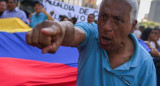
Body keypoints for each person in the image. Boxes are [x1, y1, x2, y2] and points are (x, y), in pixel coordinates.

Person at [26, 0, 156, 86]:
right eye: (103, 17)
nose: (106, 27)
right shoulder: (93, 34)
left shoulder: (145, 63)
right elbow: (73, 32)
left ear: (132, 26)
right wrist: (60, 29)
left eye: (117, 20)